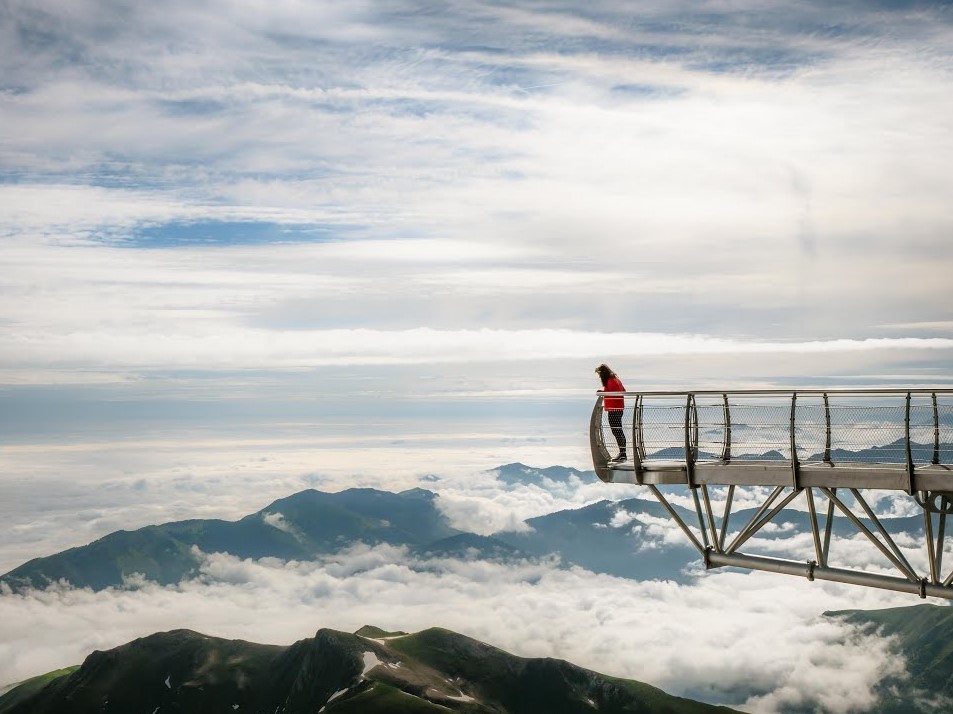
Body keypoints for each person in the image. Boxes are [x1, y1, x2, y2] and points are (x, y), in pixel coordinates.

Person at [595, 364, 627, 463]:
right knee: (618, 430)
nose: (600, 377)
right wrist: (604, 392)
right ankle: (622, 453)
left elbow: (613, 392)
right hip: (618, 409)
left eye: (600, 374)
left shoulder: (610, 381)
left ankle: (622, 454)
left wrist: (605, 393)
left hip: (614, 409)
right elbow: (623, 390)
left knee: (616, 431)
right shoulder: (615, 379)